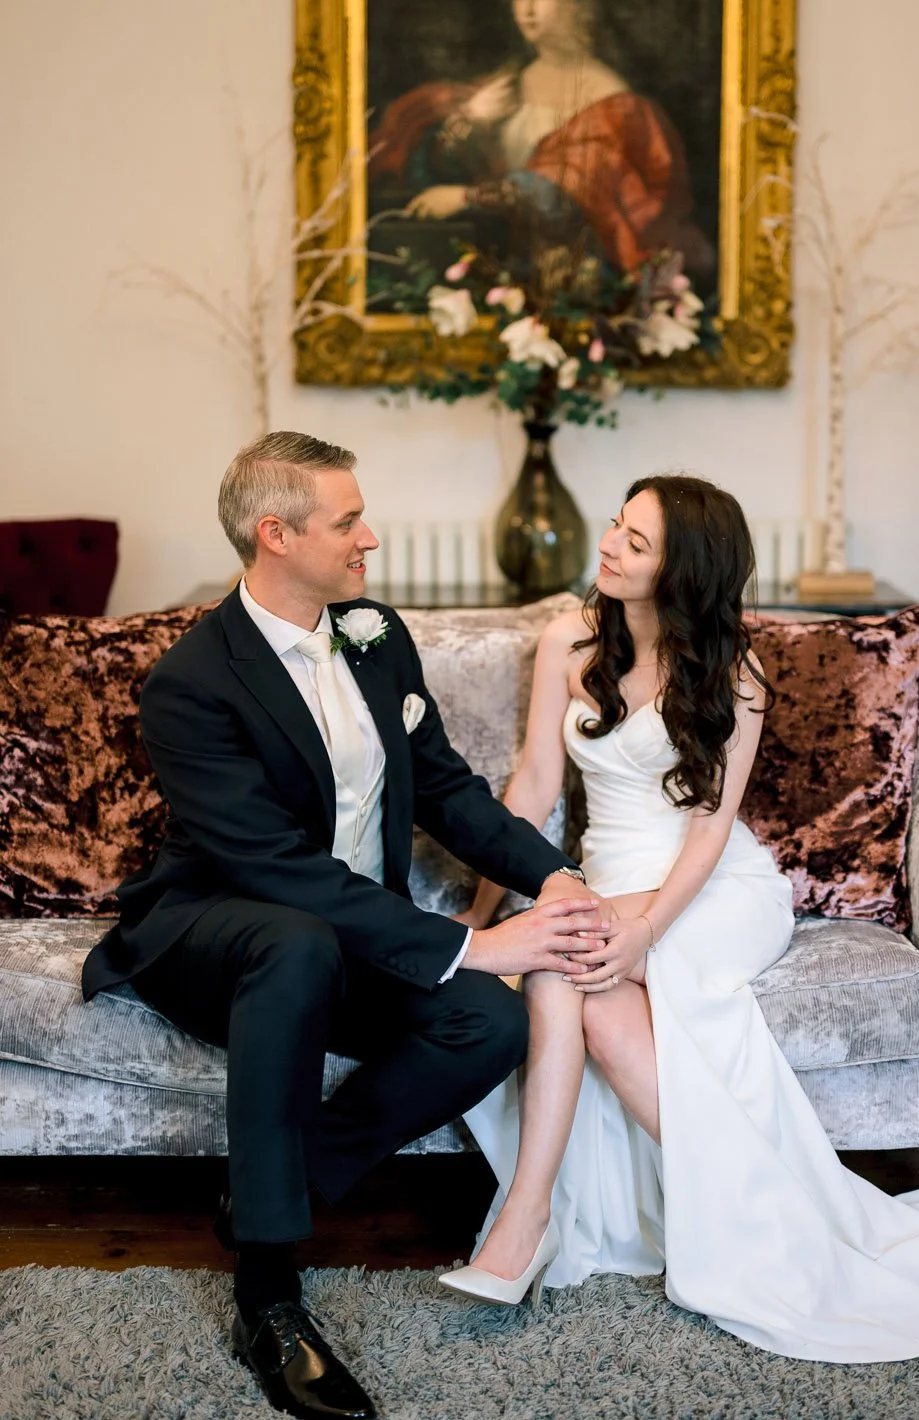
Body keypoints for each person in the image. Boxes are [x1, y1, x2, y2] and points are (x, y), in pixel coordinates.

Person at [81, 431, 614, 1420]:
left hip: (346, 934)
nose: (371, 537)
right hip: (215, 933)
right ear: (274, 534)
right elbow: (269, 870)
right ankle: (267, 1298)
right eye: (347, 520)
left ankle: (274, 1187)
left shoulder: (373, 632)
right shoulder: (193, 680)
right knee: (296, 937)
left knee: (487, 1025)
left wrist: (557, 877)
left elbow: (448, 792)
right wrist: (475, 943)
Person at [441, 474, 919, 1364]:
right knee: (587, 991)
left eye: (636, 541)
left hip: (714, 888)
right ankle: (772, 1209)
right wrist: (482, 905)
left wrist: (645, 931)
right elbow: (536, 788)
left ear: (685, 572)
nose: (610, 546)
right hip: (610, 873)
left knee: (555, 959)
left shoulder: (734, 674)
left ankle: (525, 1218)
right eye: (617, 526)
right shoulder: (565, 642)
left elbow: (706, 837)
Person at [369, 0, 714, 280]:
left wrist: (467, 197)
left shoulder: (614, 101)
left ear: (578, 2)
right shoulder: (508, 84)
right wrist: (467, 123)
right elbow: (431, 171)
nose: (527, 9)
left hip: (579, 274)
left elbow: (567, 191)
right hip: (501, 266)